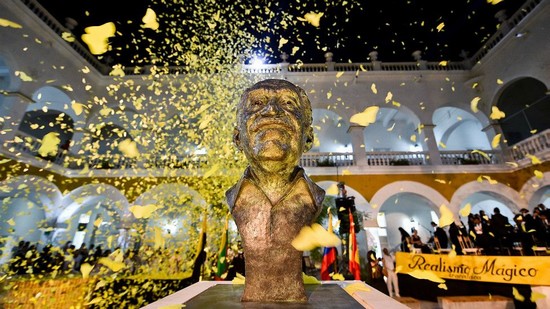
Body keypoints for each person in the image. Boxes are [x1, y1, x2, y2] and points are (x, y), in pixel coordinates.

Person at [226, 79, 325, 302]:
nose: (271, 111)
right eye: (257, 103)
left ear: (308, 138)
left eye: (289, 103)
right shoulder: (234, 199)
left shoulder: (313, 198)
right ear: (238, 139)